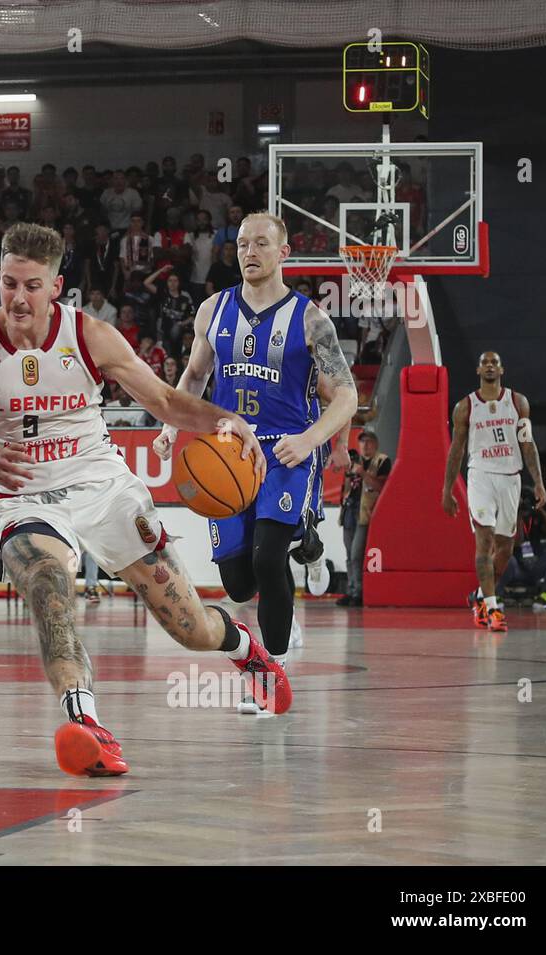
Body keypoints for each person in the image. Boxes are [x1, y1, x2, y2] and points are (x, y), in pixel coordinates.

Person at [0, 221, 284, 780]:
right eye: (7, 283)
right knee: (48, 583)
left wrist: (227, 418)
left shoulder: (90, 335)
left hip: (103, 487)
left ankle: (243, 648)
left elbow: (166, 401)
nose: (18, 298)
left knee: (190, 629)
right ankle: (86, 722)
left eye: (31, 285)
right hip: (26, 499)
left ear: (56, 286)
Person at [154, 212, 357, 669]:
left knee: (267, 560)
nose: (249, 252)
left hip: (286, 452)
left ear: (283, 253)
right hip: (229, 451)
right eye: (243, 244)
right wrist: (170, 427)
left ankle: (271, 669)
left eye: (261, 244)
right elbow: (195, 375)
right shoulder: (213, 309)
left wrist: (310, 441)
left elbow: (347, 395)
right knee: (238, 585)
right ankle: (305, 546)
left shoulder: (310, 319)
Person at [442, 352, 546, 632]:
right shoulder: (465, 406)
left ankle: (479, 597)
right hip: (480, 476)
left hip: (510, 477)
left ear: (501, 369)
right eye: (485, 362)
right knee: (484, 540)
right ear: (478, 369)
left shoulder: (517, 402)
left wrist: (538, 481)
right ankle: (492, 608)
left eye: (494, 362)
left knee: (505, 549)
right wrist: (447, 488)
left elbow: (527, 444)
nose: (489, 366)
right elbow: (456, 450)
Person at [335, 429, 390, 607]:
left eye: (369, 442)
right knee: (349, 555)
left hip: (366, 512)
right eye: (362, 442)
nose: (365, 445)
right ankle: (351, 590)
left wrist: (364, 474)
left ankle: (358, 592)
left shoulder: (382, 461)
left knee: (356, 554)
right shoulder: (354, 461)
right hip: (350, 510)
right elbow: (345, 486)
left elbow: (383, 487)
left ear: (375, 444)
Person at [498, 487, 546, 610]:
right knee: (507, 558)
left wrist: (539, 510)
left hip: (534, 566)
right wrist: (517, 513)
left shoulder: (536, 518)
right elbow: (517, 541)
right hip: (515, 568)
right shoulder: (509, 517)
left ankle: (544, 594)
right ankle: (497, 594)